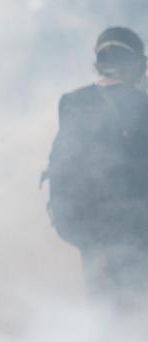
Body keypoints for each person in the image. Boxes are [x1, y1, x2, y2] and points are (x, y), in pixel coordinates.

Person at [46, 26, 148, 310]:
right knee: (136, 306)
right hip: (136, 227)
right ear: (136, 64)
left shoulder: (71, 102)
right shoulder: (143, 106)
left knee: (102, 303)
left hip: (88, 224)